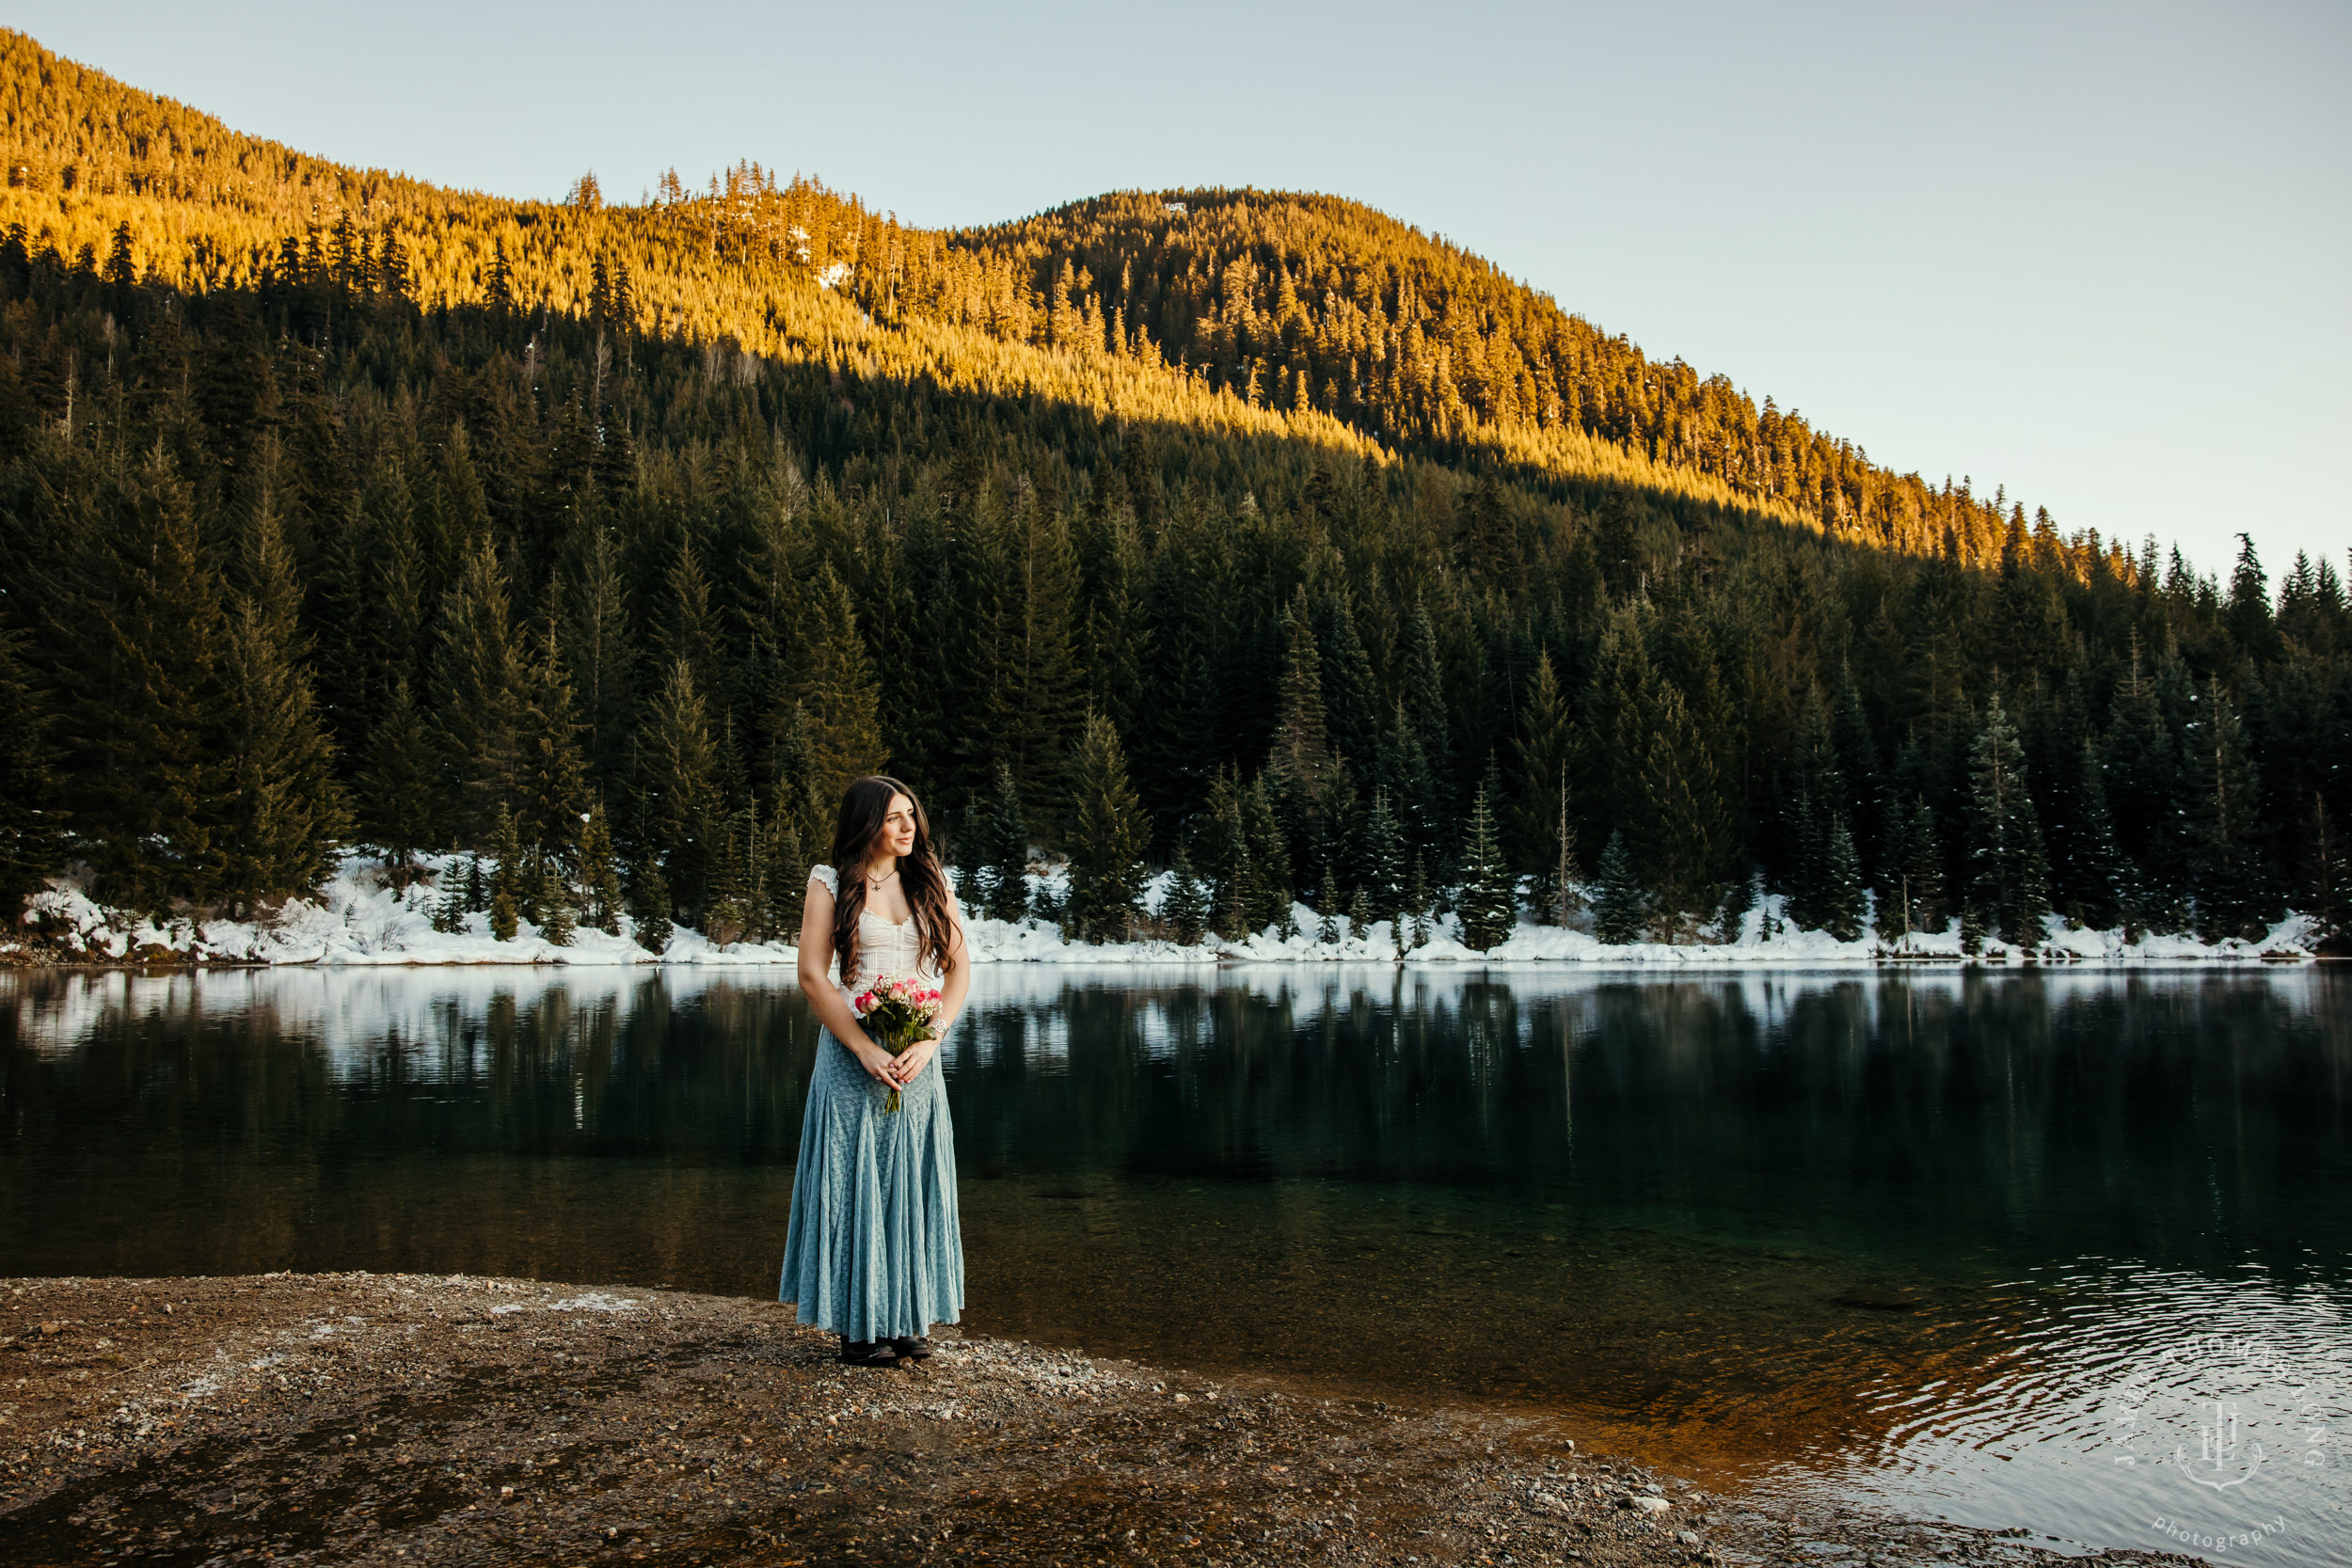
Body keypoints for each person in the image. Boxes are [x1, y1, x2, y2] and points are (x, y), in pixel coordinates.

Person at [779, 775, 971, 1366]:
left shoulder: (930, 881)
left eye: (911, 814)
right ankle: (860, 1328)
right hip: (851, 1050)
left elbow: (958, 972)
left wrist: (933, 1040)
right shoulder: (830, 882)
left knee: (911, 1177)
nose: (908, 826)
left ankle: (908, 1316)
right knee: (855, 1175)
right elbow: (813, 975)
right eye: (894, 817)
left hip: (916, 1050)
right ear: (867, 822)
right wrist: (863, 1047)